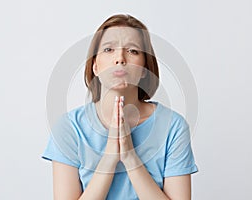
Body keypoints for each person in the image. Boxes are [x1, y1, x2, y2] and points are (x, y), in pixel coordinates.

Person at [42, 14, 198, 200]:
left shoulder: (173, 126)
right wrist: (109, 159)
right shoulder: (69, 127)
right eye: (108, 49)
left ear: (144, 69)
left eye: (133, 51)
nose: (120, 58)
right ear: (95, 67)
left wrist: (131, 158)